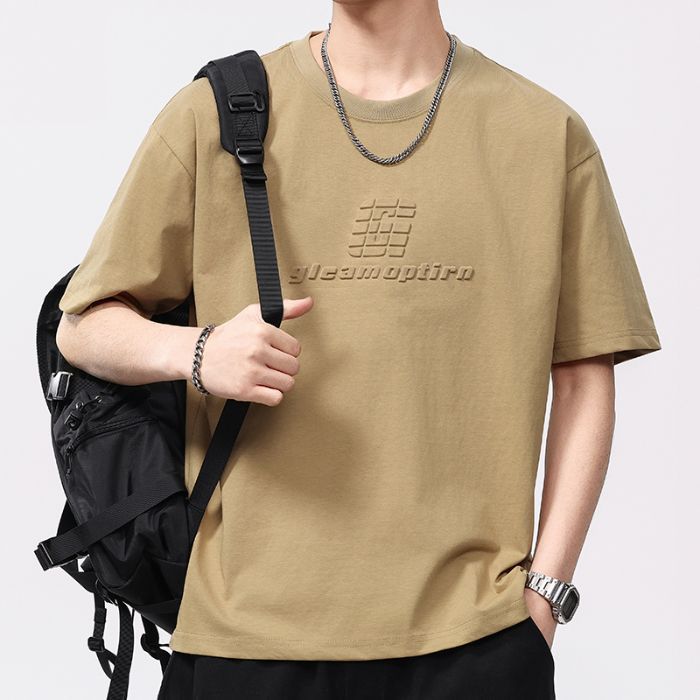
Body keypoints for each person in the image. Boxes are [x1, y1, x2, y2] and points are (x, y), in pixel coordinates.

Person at [55, 1, 661, 698]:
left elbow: (584, 376)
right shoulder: (212, 116)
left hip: (474, 640)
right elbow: (83, 325)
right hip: (245, 637)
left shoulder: (544, 133)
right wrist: (198, 351)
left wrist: (545, 596)